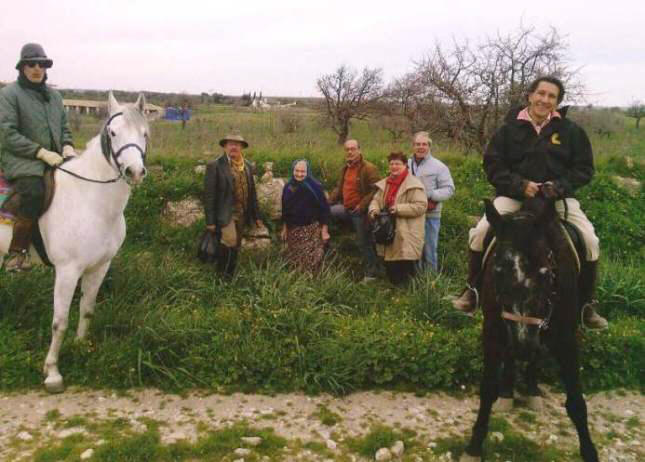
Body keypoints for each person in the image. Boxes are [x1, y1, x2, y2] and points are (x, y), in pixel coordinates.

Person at [451, 76, 608, 329]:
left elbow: (584, 169)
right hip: (514, 198)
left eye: (551, 96)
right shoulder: (508, 130)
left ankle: (587, 304)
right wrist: (520, 185)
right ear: (530, 95)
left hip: (557, 200)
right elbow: (492, 165)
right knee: (479, 233)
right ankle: (472, 291)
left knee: (591, 241)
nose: (545, 100)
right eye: (541, 94)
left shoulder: (570, 132)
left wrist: (558, 187)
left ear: (557, 102)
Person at [0, 43, 76, 271]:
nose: (36, 68)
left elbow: (64, 127)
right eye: (31, 64)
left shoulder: (54, 96)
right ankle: (17, 254)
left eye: (41, 64)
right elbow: (7, 134)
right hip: (22, 160)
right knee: (34, 193)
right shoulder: (9, 94)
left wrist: (68, 146)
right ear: (22, 67)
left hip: (55, 158)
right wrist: (40, 152)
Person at [203, 134, 263, 278]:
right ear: (225, 147)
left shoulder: (247, 166)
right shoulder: (215, 165)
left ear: (242, 147)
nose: (234, 147)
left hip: (243, 213)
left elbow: (252, 192)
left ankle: (230, 274)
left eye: (237, 144)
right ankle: (221, 275)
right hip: (225, 214)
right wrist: (210, 221)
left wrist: (257, 216)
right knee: (228, 241)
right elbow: (209, 196)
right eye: (230, 144)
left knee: (236, 245)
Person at [368, 152, 427, 285]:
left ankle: (408, 295)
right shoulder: (386, 183)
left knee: (405, 264)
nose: (394, 166)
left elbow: (421, 206)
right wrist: (374, 209)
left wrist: (399, 209)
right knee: (390, 262)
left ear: (405, 165)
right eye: (392, 164)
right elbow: (375, 200)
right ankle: (394, 292)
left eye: (397, 164)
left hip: (406, 231)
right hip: (388, 229)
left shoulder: (414, 184)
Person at [328, 139, 381, 280]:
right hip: (346, 208)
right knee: (326, 212)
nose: (350, 152)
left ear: (359, 150)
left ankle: (372, 273)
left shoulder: (369, 168)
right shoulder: (345, 168)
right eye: (347, 149)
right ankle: (330, 248)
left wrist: (362, 206)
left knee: (364, 242)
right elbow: (339, 189)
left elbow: (376, 190)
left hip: (360, 212)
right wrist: (327, 202)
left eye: (353, 149)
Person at [408, 131, 455, 272]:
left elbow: (449, 189)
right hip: (410, 214)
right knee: (414, 248)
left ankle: (430, 283)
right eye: (417, 144)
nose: (420, 147)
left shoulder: (439, 166)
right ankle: (415, 280)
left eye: (424, 144)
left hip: (431, 215)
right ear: (413, 146)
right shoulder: (407, 164)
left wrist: (430, 195)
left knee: (429, 249)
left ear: (429, 146)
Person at [280, 159, 331, 272]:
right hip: (293, 230)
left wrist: (324, 230)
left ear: (308, 172)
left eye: (303, 171)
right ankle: (296, 282)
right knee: (295, 260)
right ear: (292, 170)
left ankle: (312, 282)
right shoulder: (288, 187)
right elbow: (285, 209)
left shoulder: (315, 187)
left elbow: (324, 210)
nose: (299, 174)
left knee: (311, 260)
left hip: (310, 230)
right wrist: (284, 228)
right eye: (296, 171)